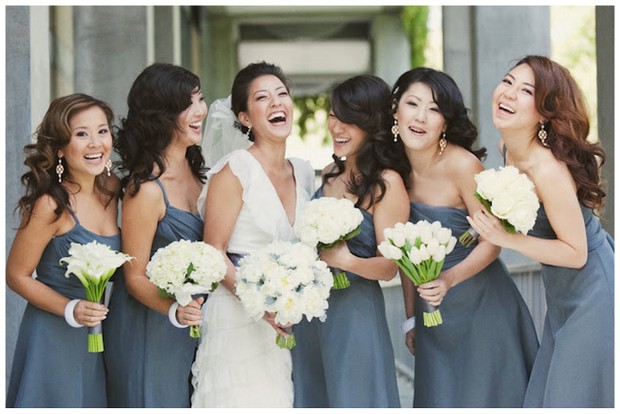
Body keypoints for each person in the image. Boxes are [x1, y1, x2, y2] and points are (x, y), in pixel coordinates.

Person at [467, 55, 614, 408]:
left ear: (545, 111)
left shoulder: (547, 168)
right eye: (507, 82)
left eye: (526, 90)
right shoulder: (508, 151)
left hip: (595, 293)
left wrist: (506, 239)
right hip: (562, 297)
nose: (509, 93)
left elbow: (576, 253)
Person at [392, 67, 540, 408]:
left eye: (434, 109)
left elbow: (493, 240)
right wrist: (412, 317)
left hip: (483, 307)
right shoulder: (393, 170)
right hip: (434, 317)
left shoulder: (463, 165)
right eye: (413, 104)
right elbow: (403, 253)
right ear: (395, 111)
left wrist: (448, 279)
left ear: (445, 122)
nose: (421, 117)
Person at [190, 62, 315, 408]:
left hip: (286, 321)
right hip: (236, 318)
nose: (277, 103)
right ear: (245, 118)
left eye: (282, 94)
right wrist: (261, 305)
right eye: (262, 98)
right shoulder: (234, 169)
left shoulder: (303, 173)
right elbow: (213, 250)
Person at [291, 75, 409, 408]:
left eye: (350, 121)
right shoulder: (329, 171)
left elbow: (389, 267)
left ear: (372, 125)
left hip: (355, 315)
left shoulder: (387, 183)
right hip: (311, 314)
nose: (337, 127)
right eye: (333, 115)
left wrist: (346, 261)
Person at [104, 63, 208, 407]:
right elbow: (133, 276)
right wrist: (175, 311)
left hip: (190, 324)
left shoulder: (200, 175)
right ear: (160, 116)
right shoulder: (146, 190)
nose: (199, 111)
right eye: (187, 104)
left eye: (200, 99)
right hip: (149, 326)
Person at [6, 94, 120, 407]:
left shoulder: (113, 189)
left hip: (97, 335)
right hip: (53, 333)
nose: (96, 143)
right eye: (81, 134)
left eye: (102, 131)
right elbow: (16, 275)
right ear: (59, 148)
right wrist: (71, 309)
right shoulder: (50, 205)